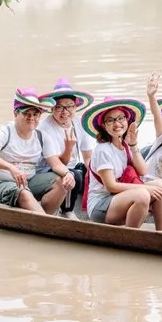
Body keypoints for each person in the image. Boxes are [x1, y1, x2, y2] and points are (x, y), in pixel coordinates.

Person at [81, 96, 162, 236]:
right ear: (103, 126)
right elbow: (111, 186)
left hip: (119, 198)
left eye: (121, 118)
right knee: (143, 195)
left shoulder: (125, 145)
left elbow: (143, 170)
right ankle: (131, 238)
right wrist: (146, 187)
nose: (117, 124)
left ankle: (161, 234)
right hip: (101, 205)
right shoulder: (103, 149)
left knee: (161, 185)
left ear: (127, 121)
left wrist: (133, 145)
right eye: (110, 120)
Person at [0, 88, 64, 214]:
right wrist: (11, 168)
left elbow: (56, 164)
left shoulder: (41, 136)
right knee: (24, 194)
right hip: (1, 183)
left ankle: (43, 220)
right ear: (16, 114)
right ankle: (47, 224)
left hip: (29, 181)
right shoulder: (4, 132)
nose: (31, 118)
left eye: (35, 114)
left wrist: (68, 174)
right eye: (26, 113)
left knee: (63, 182)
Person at [36, 78, 96, 220]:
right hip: (49, 170)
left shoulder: (78, 122)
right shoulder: (45, 128)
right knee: (72, 174)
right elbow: (57, 164)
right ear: (52, 109)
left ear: (75, 107)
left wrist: (97, 173)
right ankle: (66, 211)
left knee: (87, 171)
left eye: (69, 106)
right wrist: (69, 148)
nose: (65, 111)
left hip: (72, 168)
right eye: (59, 107)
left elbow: (87, 156)